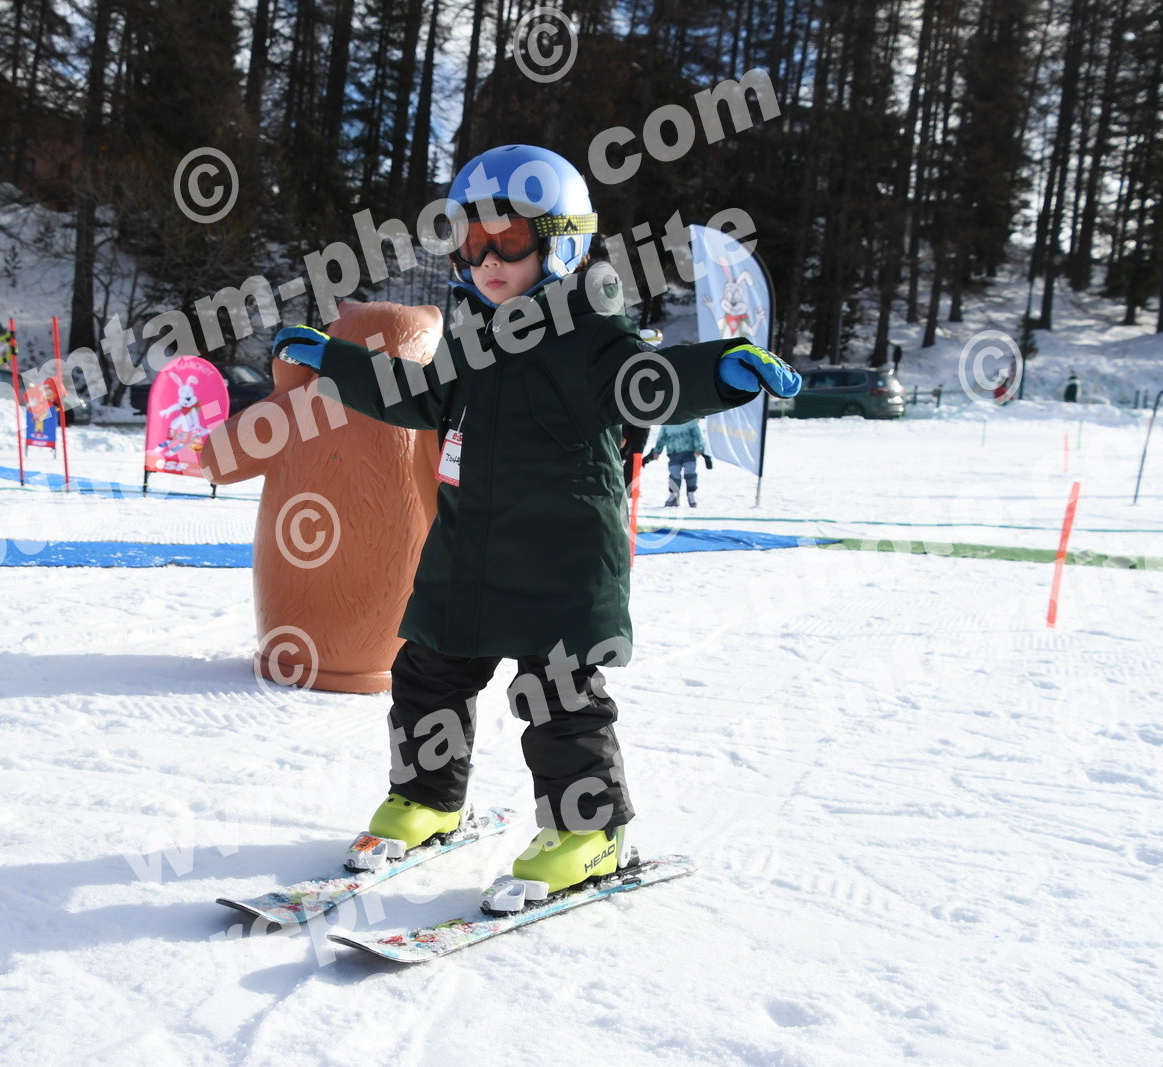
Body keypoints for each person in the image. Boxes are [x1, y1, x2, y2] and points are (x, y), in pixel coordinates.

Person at [270, 144, 801, 908]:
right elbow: (417, 396)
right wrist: (337, 361)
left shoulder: (594, 339)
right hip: (468, 555)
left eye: (509, 240)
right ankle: (426, 798)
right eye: (470, 241)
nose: (486, 260)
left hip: (560, 558)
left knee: (556, 698)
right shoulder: (474, 339)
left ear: (563, 244)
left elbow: (651, 382)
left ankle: (590, 831)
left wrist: (719, 370)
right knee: (427, 673)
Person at [645, 418, 712, 507]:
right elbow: (662, 437)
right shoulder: (667, 423)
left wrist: (698, 448)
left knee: (690, 472)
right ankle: (674, 495)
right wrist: (657, 451)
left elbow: (697, 435)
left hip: (689, 452)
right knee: (674, 473)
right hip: (673, 452)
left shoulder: (690, 420)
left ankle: (691, 493)